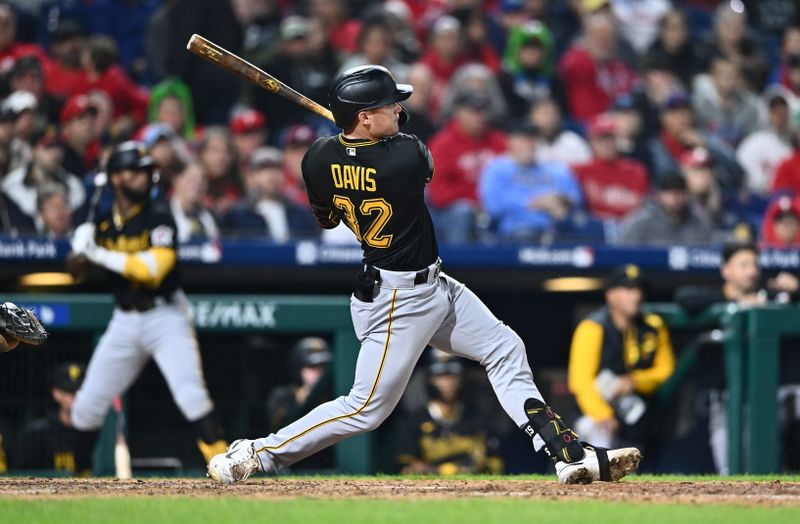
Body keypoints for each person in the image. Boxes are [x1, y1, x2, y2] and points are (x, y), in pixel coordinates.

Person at [207, 64, 641, 485]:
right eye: (390, 105)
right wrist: (368, 148)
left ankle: (565, 455)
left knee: (504, 347)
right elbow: (416, 156)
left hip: (431, 285)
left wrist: (350, 151)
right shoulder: (405, 158)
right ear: (364, 117)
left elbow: (326, 219)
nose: (399, 109)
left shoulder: (318, 158)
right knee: (365, 408)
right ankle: (256, 453)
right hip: (397, 300)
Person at [67, 141, 227, 475]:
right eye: (133, 172)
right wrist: (79, 251)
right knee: (86, 408)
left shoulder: (159, 215)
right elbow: (76, 269)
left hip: (165, 316)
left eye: (145, 171)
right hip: (125, 320)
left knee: (192, 398)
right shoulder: (101, 217)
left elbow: (153, 269)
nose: (143, 177)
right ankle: (77, 483)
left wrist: (96, 253)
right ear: (115, 179)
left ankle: (227, 472)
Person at [568, 265, 675, 453]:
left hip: (638, 413)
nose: (636, 296)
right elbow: (580, 382)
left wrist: (635, 381)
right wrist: (603, 414)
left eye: (639, 289)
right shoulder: (592, 328)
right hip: (597, 414)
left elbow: (666, 370)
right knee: (594, 429)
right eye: (628, 289)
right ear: (611, 295)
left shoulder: (653, 326)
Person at [396, 349, 503, 475]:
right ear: (430, 379)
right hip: (429, 491)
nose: (448, 382)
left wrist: (466, 469)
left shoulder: (477, 419)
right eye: (440, 376)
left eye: (452, 375)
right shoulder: (413, 422)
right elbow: (405, 468)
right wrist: (443, 471)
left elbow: (494, 465)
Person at [478, 121, 582, 242]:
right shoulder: (497, 169)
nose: (529, 144)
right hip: (517, 233)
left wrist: (559, 201)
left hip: (560, 231)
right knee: (524, 235)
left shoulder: (555, 169)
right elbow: (493, 205)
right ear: (510, 142)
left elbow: (576, 199)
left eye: (532, 139)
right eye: (523, 139)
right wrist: (533, 202)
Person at [426, 92, 507, 243]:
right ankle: (456, 265)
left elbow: (512, 179)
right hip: (451, 212)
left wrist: (489, 203)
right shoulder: (442, 144)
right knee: (463, 212)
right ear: (458, 113)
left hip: (493, 208)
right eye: (472, 112)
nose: (478, 117)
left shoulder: (499, 141)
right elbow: (438, 193)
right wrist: (474, 202)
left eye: (481, 112)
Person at [221, 146, 318, 241]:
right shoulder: (238, 215)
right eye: (264, 169)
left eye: (277, 168)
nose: (272, 175)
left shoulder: (300, 215)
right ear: (252, 176)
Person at [572, 114, 649, 221]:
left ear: (617, 140)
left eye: (610, 138)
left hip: (630, 230)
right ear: (591, 143)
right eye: (600, 139)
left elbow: (641, 208)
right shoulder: (580, 171)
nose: (606, 144)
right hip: (596, 231)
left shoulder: (636, 170)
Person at [14, 362, 86, 473]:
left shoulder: (102, 431)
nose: (75, 396)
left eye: (80, 390)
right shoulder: (38, 434)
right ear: (56, 394)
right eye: (69, 391)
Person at [616, 170, 715, 246]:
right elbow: (621, 254)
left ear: (687, 195)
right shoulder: (640, 222)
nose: (675, 199)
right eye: (670, 194)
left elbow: (709, 254)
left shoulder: (699, 220)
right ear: (659, 195)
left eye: (679, 193)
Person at [266, 337, 333, 433]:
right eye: (312, 367)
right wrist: (301, 402)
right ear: (300, 369)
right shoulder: (284, 396)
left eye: (323, 367)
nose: (319, 372)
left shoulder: (334, 392)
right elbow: (279, 432)